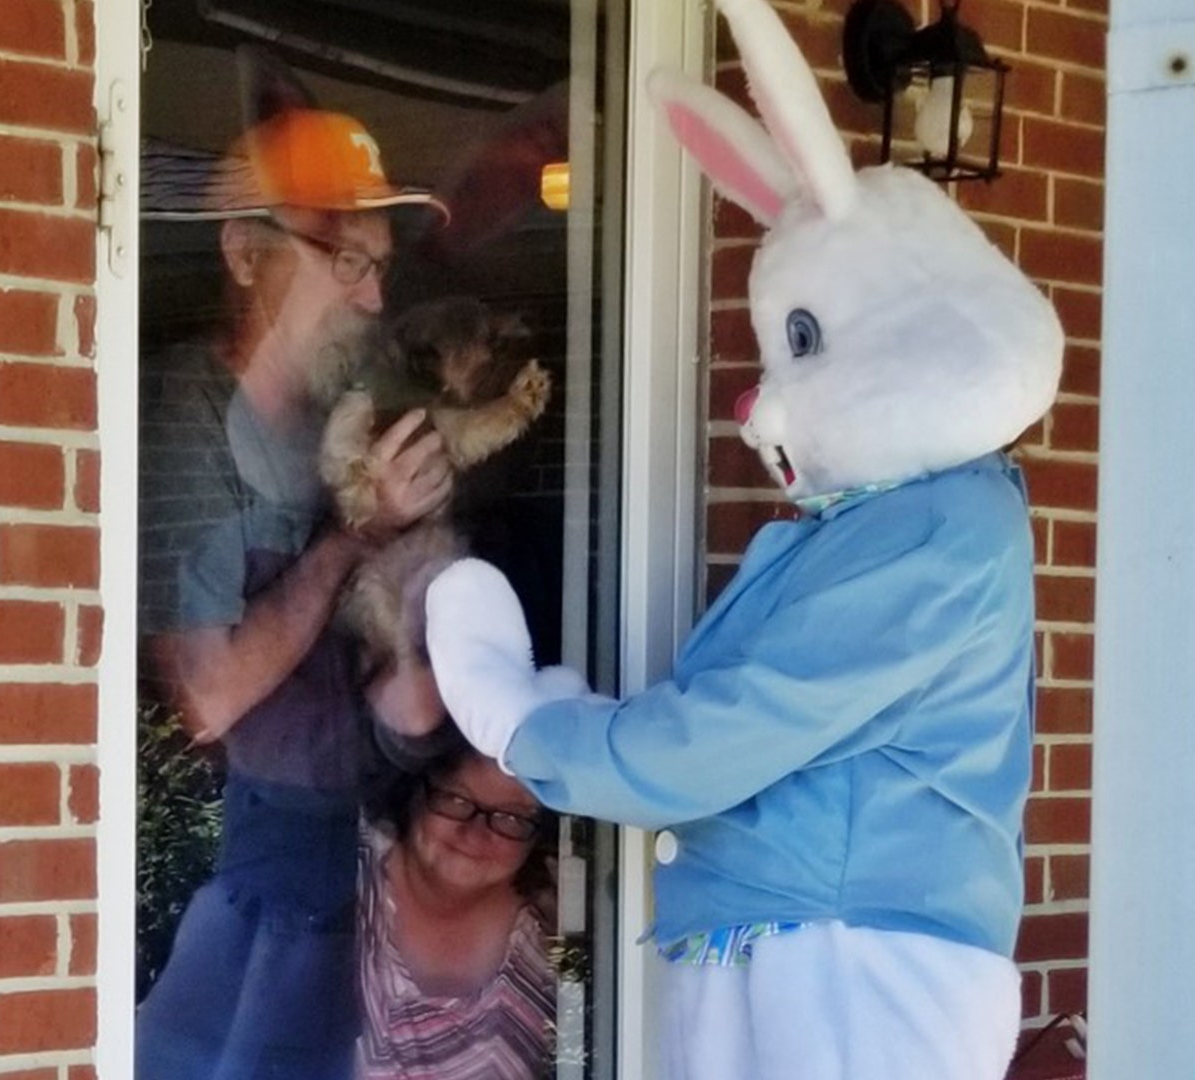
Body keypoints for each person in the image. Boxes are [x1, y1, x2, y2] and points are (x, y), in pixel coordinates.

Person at [420, 0, 1066, 1076]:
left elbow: (733, 733)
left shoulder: (937, 527)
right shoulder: (894, 522)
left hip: (858, 970)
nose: (761, 407)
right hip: (810, 946)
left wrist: (530, 729)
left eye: (802, 343)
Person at [133, 52, 458, 1080]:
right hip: (239, 879)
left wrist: (421, 659)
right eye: (343, 259)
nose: (371, 299)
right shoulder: (186, 417)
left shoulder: (342, 426)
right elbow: (210, 696)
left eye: (379, 265)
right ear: (244, 253)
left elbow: (384, 712)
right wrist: (358, 538)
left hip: (364, 879)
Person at [357, 746, 557, 1080]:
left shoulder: (561, 923)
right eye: (457, 800)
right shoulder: (342, 880)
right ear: (414, 794)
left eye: (512, 817)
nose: (476, 833)